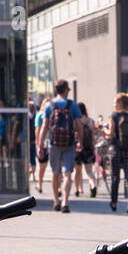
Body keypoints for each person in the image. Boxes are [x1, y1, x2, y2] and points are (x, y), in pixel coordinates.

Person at [37, 79, 80, 212]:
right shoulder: (72, 105)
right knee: (67, 173)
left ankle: (56, 201)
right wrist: (81, 142)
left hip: (53, 143)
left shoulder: (50, 105)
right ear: (66, 89)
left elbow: (44, 126)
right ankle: (65, 202)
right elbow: (79, 126)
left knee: (55, 173)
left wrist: (40, 145)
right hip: (69, 143)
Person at [107, 91, 128, 214]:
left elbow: (110, 135)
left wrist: (101, 130)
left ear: (120, 103)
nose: (114, 104)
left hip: (116, 150)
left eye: (115, 102)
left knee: (115, 177)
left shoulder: (114, 116)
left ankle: (114, 202)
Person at [74, 102, 98, 198]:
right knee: (89, 171)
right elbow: (92, 137)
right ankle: (93, 185)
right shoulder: (90, 121)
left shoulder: (76, 120)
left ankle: (77, 189)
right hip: (88, 148)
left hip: (78, 148)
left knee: (77, 171)